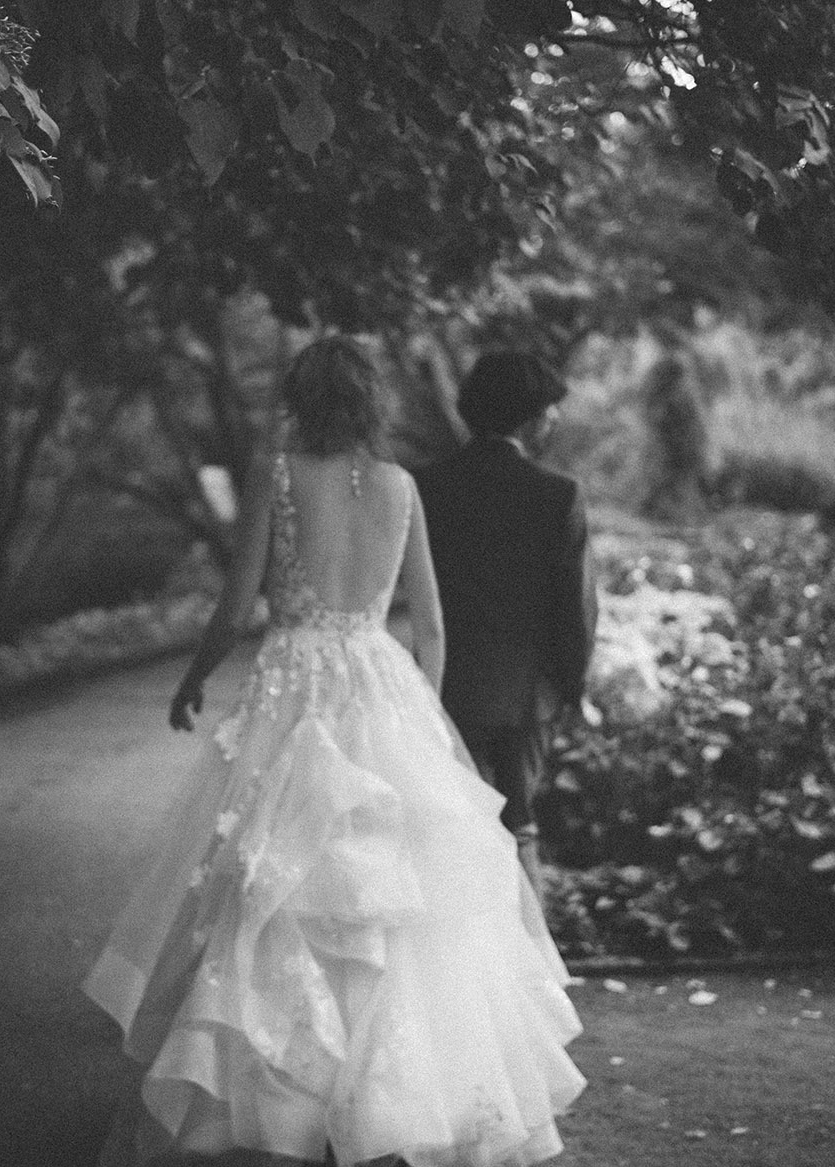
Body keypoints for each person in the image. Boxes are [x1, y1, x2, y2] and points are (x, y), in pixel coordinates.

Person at [83, 336, 585, 1167]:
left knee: (277, 884)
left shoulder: (279, 475)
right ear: (371, 401)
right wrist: (425, 713)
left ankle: (289, 1100)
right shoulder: (401, 486)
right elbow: (429, 625)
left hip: (296, 684)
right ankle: (391, 1100)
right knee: (397, 900)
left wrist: (195, 677)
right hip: (382, 684)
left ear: (302, 398)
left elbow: (240, 602)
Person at [413, 351, 598, 901]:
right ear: (531, 415)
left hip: (444, 684)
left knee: (452, 825)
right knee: (520, 830)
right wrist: (572, 686)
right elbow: (575, 609)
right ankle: (530, 970)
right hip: (524, 696)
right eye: (551, 407)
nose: (557, 418)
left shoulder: (426, 486)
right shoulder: (557, 493)